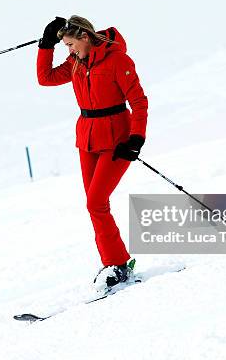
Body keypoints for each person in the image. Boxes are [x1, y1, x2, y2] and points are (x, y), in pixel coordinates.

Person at [36, 15, 148, 290]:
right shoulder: (75, 63)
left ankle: (117, 265)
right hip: (87, 138)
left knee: (95, 202)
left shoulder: (117, 60)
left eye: (71, 44)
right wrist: (45, 45)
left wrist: (136, 138)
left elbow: (138, 101)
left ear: (85, 38)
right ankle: (115, 264)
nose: (69, 51)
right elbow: (45, 78)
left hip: (117, 139)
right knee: (96, 205)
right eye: (65, 46)